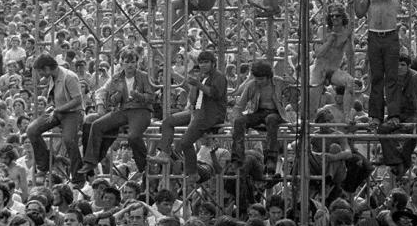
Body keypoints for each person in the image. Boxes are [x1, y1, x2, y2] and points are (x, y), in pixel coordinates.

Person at [152, 48, 227, 180]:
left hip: (210, 115)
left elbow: (215, 94)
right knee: (168, 122)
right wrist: (193, 86)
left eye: (206, 62)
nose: (203, 65)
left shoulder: (219, 77)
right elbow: (192, 100)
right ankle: (164, 152)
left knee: (185, 142)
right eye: (201, 63)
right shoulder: (202, 77)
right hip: (196, 111)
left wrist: (197, 84)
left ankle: (193, 172)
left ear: (213, 63)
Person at [79, 49, 155, 178]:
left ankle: (144, 166)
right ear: (122, 63)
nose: (130, 65)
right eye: (127, 62)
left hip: (141, 110)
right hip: (123, 110)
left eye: (133, 62)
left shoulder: (143, 76)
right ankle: (90, 162)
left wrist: (139, 95)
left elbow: (151, 97)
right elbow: (110, 99)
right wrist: (116, 96)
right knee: (96, 125)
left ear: (137, 63)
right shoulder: (116, 78)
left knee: (133, 136)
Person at [349, 0, 405, 129]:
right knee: (377, 77)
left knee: (392, 77)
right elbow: (359, 13)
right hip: (374, 35)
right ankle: (376, 116)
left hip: (390, 35)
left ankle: (394, 115)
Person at [26, 54, 83, 181]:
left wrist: (59, 109)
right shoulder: (52, 75)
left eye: (41, 71)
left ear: (47, 68)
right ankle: (45, 164)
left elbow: (78, 100)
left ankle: (78, 175)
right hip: (57, 110)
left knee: (69, 140)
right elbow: (51, 93)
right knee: (32, 130)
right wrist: (52, 107)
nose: (40, 74)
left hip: (73, 113)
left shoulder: (69, 77)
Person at [230, 61, 287, 176]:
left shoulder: (279, 82)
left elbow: (294, 94)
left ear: (268, 77)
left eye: (261, 79)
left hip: (276, 113)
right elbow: (239, 105)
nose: (259, 81)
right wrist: (234, 121)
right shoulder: (252, 84)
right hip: (258, 112)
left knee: (271, 119)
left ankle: (271, 159)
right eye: (257, 79)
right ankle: (237, 159)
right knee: (239, 121)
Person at [309, 4, 354, 119]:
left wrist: (348, 39)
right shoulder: (322, 30)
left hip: (333, 70)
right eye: (332, 16)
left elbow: (350, 55)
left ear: (342, 17)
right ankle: (311, 125)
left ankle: (347, 116)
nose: (334, 18)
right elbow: (318, 53)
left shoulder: (346, 32)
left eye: (337, 16)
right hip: (319, 69)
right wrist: (330, 41)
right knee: (312, 105)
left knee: (350, 81)